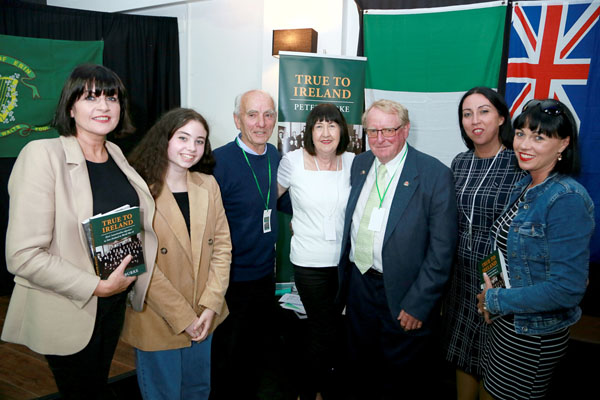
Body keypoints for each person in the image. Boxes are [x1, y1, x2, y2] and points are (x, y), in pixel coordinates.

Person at [1, 64, 158, 399]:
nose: (104, 106)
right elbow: (22, 256)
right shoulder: (42, 155)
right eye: (90, 97)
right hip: (69, 305)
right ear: (70, 108)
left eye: (111, 98)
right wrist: (97, 287)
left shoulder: (115, 153)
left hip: (114, 302)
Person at [337, 99, 458, 399]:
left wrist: (419, 304)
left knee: (400, 378)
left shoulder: (434, 174)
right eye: (372, 131)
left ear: (405, 130)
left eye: (388, 130)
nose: (379, 139)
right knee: (359, 367)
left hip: (405, 293)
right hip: (360, 286)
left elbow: (442, 250)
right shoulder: (361, 164)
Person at [477, 98, 595, 400]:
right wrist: (493, 298)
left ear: (563, 144)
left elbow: (567, 289)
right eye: (521, 134)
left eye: (539, 137)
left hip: (532, 334)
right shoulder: (525, 186)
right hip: (506, 323)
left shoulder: (566, 198)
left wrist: (495, 299)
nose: (524, 145)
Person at [122, 108, 231, 399]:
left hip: (204, 315)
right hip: (159, 316)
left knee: (198, 391)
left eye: (199, 141)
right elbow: (137, 262)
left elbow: (222, 247)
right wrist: (184, 317)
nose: (191, 147)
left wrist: (211, 304)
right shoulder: (137, 189)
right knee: (163, 394)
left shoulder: (208, 185)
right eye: (183, 138)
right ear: (165, 139)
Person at [440, 87, 526, 399]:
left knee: (494, 363)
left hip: (499, 282)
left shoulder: (519, 163)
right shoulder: (459, 163)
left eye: (484, 111)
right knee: (463, 355)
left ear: (502, 117)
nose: (475, 120)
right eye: (467, 114)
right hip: (460, 278)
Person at [277, 104, 355, 400]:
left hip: (345, 263)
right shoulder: (292, 161)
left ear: (341, 131)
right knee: (321, 328)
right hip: (309, 261)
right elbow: (271, 198)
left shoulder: (353, 162)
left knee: (336, 328)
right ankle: (309, 391)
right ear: (309, 132)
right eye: (319, 126)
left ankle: (325, 386)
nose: (325, 132)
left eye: (332, 125)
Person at [210, 89, 281, 399]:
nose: (261, 123)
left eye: (268, 115)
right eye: (252, 115)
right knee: (227, 359)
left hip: (265, 276)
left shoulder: (275, 156)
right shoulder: (217, 162)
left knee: (256, 356)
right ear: (237, 120)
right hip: (229, 279)